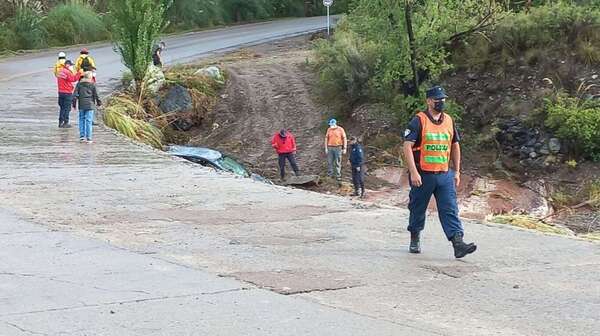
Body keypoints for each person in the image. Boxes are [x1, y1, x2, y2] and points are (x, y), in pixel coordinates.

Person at [402, 85, 477, 259]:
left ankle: (458, 243)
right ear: (429, 101)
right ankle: (415, 236)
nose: (441, 102)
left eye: (443, 99)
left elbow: (455, 145)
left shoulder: (449, 120)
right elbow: (407, 146)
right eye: (437, 99)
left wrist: (457, 171)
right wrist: (413, 172)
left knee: (450, 208)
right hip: (423, 175)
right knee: (417, 209)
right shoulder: (418, 121)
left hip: (444, 175)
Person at [73, 71, 101, 143]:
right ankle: (89, 137)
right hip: (90, 104)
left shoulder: (79, 84)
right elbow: (96, 95)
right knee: (88, 121)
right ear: (90, 77)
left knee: (81, 119)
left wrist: (74, 104)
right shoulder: (92, 85)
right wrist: (99, 103)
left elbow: (75, 95)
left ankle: (82, 136)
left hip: (81, 104)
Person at [56, 60, 82, 128]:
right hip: (67, 92)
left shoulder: (60, 71)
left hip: (60, 92)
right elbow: (73, 79)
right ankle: (65, 123)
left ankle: (60, 122)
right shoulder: (67, 72)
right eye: (71, 65)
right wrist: (79, 73)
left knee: (62, 108)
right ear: (67, 65)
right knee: (67, 108)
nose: (72, 67)